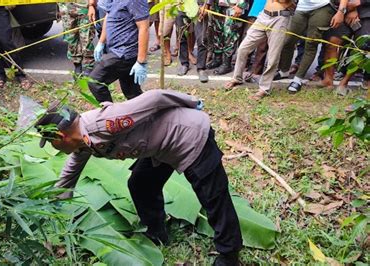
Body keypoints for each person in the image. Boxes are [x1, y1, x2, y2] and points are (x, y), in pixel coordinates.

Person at [35, 89, 243, 265]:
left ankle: (229, 253)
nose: (54, 148)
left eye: (51, 142)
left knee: (213, 197)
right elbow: (68, 176)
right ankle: (156, 231)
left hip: (187, 136)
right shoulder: (83, 142)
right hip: (160, 147)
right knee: (141, 184)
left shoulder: (105, 123)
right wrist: (54, 212)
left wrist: (191, 102)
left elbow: (155, 97)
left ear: (61, 137)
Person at [224, 0, 295, 100]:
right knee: (243, 48)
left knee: (273, 57)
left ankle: (264, 88)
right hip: (264, 15)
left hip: (280, 18)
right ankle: (237, 78)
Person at [273, 0, 348, 93]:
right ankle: (284, 71)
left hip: (323, 7)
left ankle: (298, 79)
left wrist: (341, 11)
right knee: (288, 40)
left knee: (311, 44)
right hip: (302, 6)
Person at [88, 0, 149, 103]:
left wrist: (141, 61)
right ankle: (146, 116)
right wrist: (101, 42)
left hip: (124, 53)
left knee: (95, 81)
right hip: (115, 49)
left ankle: (110, 114)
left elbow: (144, 27)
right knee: (132, 94)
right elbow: (108, 16)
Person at [321, 0, 370, 94]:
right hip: (345, 10)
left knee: (362, 47)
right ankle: (328, 80)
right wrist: (350, 9)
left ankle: (344, 83)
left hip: (366, 13)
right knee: (332, 41)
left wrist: (360, 2)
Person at [207, 0, 249, 75]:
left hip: (233, 5)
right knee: (217, 32)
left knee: (230, 34)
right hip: (217, 5)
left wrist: (241, 5)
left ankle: (227, 64)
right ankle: (217, 59)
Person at [176, 0, 213, 83]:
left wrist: (206, 4)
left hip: (200, 6)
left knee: (202, 39)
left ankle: (201, 68)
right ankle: (184, 64)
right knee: (182, 36)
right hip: (182, 6)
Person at [60, 1, 95, 77]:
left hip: (83, 6)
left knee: (86, 38)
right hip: (65, 6)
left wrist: (91, 5)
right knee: (71, 39)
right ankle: (77, 66)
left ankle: (88, 68)